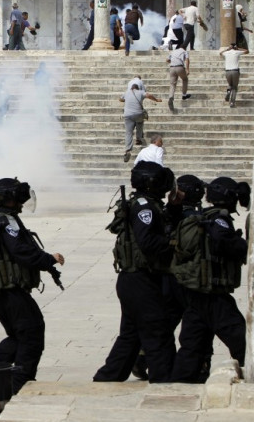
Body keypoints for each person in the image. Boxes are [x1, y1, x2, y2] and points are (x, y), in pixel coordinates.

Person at [0, 178, 65, 394]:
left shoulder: (4, 219)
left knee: (20, 336)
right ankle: (20, 382)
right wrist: (48, 259)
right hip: (10, 291)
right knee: (31, 333)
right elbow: (22, 252)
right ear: (10, 199)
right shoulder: (7, 222)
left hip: (5, 290)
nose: (21, 203)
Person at [94, 161, 179, 383]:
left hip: (134, 280)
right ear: (151, 183)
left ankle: (108, 378)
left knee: (131, 336)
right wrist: (174, 243)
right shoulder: (145, 208)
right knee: (158, 332)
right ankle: (164, 381)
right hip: (140, 279)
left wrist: (174, 207)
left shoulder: (146, 204)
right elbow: (148, 241)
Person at [170, 177, 250, 383]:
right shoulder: (219, 219)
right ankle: (252, 372)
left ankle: (182, 380)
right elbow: (223, 241)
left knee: (193, 341)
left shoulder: (204, 215)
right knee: (239, 335)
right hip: (212, 293)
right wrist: (245, 246)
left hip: (196, 291)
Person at [120, 84, 161, 163]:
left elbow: (120, 99)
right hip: (138, 114)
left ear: (131, 88)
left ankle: (128, 150)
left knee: (129, 132)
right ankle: (138, 138)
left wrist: (126, 100)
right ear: (137, 88)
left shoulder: (126, 93)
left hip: (128, 115)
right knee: (140, 122)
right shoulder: (141, 92)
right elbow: (148, 95)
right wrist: (156, 100)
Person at [220, 43, 249, 108]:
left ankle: (228, 91)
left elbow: (220, 53)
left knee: (230, 84)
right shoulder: (237, 52)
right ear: (235, 47)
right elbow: (247, 51)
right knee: (234, 87)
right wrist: (238, 48)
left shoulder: (226, 53)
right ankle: (232, 102)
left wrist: (227, 49)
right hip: (235, 71)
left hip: (227, 72)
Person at [167, 46, 191, 112]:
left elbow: (167, 60)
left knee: (172, 84)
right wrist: (187, 69)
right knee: (185, 79)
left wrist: (172, 61)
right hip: (180, 67)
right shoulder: (184, 51)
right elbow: (187, 60)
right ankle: (184, 95)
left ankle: (171, 97)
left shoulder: (173, 51)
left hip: (172, 68)